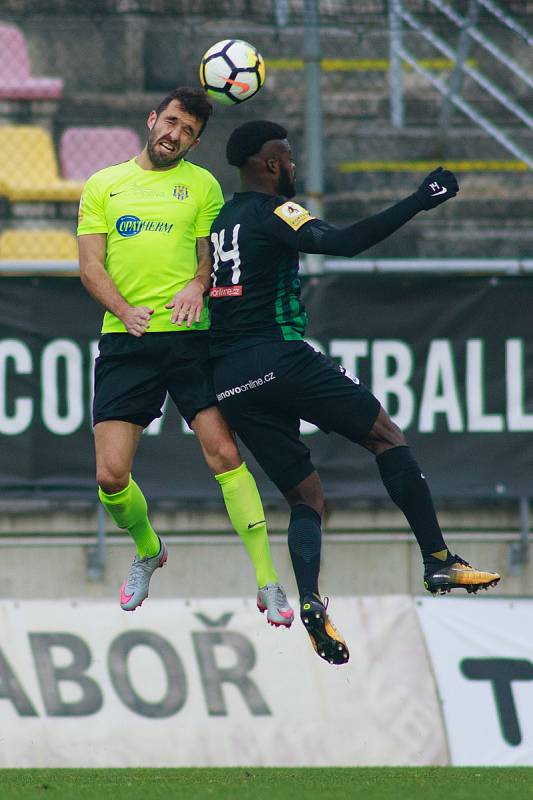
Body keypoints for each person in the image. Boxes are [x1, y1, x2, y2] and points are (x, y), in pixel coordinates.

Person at [208, 120, 500, 666]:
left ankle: (313, 602)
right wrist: (419, 200)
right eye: (288, 157)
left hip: (230, 379)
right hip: (278, 355)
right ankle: (438, 559)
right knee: (386, 435)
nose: (294, 166)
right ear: (270, 164)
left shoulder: (220, 219)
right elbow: (340, 242)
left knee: (306, 498)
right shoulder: (276, 212)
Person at [77, 91, 293, 629]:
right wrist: (125, 310)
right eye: (171, 121)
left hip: (192, 340)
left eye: (188, 131)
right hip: (127, 340)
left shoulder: (203, 187)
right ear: (153, 120)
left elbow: (209, 261)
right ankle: (149, 549)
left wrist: (200, 286)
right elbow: (89, 266)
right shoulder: (104, 185)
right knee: (110, 475)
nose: (175, 134)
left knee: (223, 453)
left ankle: (268, 581)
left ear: (195, 142)